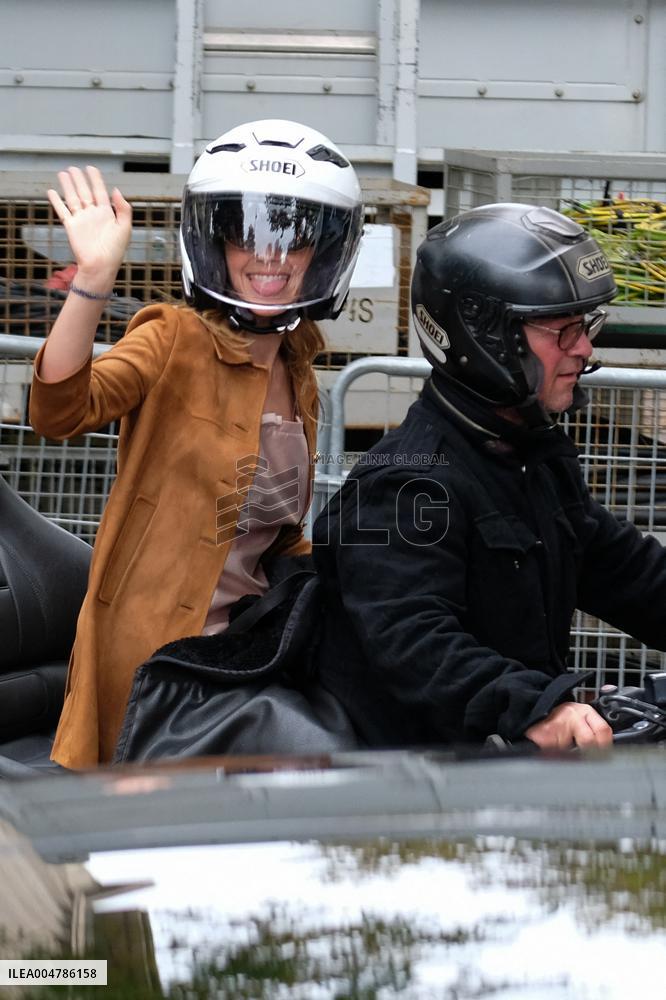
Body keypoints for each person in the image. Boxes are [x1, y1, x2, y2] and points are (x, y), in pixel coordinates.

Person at [29, 119, 364, 768]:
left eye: (293, 237)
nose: (269, 255)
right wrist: (93, 280)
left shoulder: (300, 372)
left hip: (243, 659)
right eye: (246, 233)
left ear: (323, 253)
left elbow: (274, 531)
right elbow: (60, 411)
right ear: (215, 242)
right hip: (155, 658)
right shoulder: (172, 339)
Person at [312, 202, 666, 752]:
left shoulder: (530, 458)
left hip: (504, 785)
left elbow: (623, 567)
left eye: (586, 325)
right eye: (561, 330)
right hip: (417, 803)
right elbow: (414, 641)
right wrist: (538, 708)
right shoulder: (404, 482)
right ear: (483, 335)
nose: (584, 348)